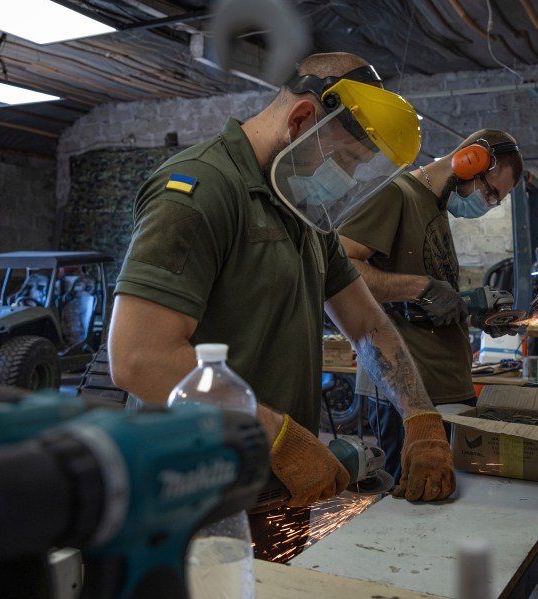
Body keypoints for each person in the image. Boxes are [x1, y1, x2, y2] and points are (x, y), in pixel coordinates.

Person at [108, 52, 456, 561]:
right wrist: (279, 437)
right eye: (348, 162)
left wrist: (420, 419)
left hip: (281, 485)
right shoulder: (198, 191)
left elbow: (367, 326)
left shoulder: (305, 212)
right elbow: (140, 357)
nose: (350, 179)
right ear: (301, 120)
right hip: (195, 491)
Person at [337, 130, 523, 481]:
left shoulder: (434, 208)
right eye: (491, 192)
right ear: (471, 161)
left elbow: (426, 301)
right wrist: (419, 287)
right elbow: (340, 267)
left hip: (447, 389)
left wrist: (473, 313)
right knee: (411, 505)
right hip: (407, 395)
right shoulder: (396, 193)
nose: (488, 203)